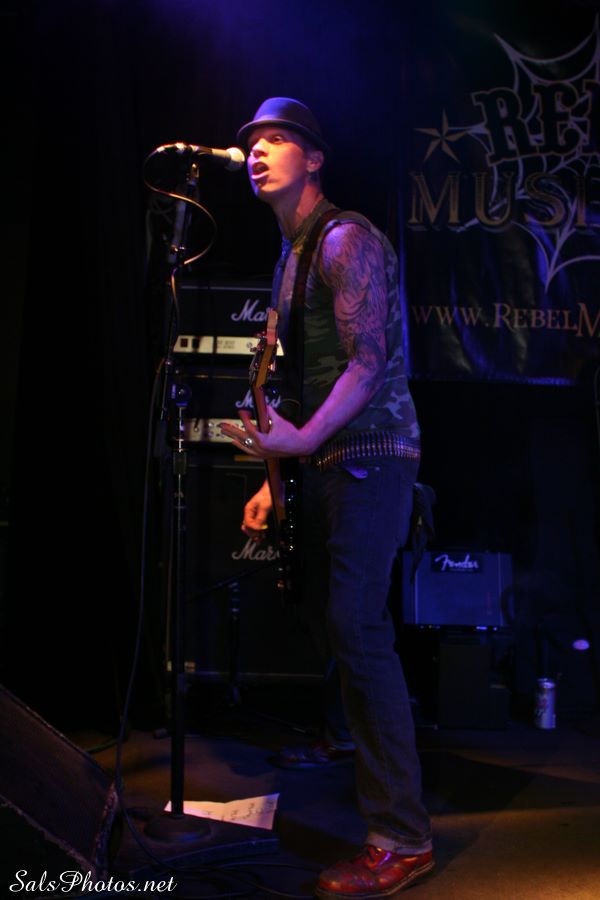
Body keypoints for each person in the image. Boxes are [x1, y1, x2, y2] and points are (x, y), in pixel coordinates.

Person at [220, 97, 433, 899]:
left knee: (357, 625)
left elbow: (367, 362)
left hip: (371, 453)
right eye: (252, 142)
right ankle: (345, 735)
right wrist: (272, 476)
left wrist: (302, 443)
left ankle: (403, 837)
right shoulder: (291, 255)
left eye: (277, 140)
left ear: (313, 158)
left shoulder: (346, 239)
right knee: (321, 610)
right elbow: (290, 377)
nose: (257, 151)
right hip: (320, 457)